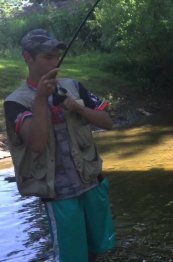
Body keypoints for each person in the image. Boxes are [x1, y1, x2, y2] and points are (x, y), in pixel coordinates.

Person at [3, 28, 115, 262]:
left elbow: (107, 122)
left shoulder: (73, 86)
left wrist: (77, 107)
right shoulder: (15, 102)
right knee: (72, 257)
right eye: (47, 57)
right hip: (60, 196)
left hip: (92, 183)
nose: (55, 63)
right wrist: (42, 98)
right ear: (27, 57)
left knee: (98, 250)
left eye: (56, 56)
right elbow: (37, 144)